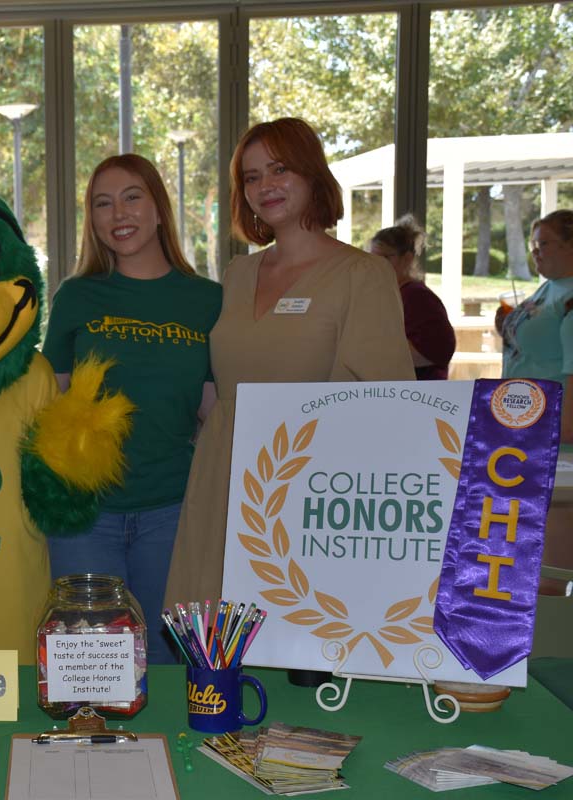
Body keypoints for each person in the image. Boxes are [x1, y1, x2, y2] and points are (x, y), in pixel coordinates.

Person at [164, 117, 414, 609]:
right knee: (217, 638)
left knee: (301, 641)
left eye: (278, 169)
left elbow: (392, 402)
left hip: (312, 484)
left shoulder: (362, 274)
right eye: (251, 177)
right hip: (225, 471)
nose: (264, 186)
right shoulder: (238, 273)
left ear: (310, 173)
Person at [42, 154, 222, 664]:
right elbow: (48, 400)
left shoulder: (207, 300)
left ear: (159, 209)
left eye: (132, 197)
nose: (118, 212)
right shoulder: (76, 296)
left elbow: (214, 412)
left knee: (167, 666)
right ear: (93, 221)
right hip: (84, 514)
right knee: (91, 667)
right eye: (103, 203)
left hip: (173, 510)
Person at [497, 209, 573, 442]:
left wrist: (564, 436)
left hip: (552, 429)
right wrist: (507, 326)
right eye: (533, 245)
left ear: (570, 245)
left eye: (543, 243)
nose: (535, 252)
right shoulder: (551, 286)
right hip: (522, 419)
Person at [369, 215, 456, 380]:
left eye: (386, 258)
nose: (377, 264)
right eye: (372, 257)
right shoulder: (383, 293)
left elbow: (438, 350)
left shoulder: (417, 297)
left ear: (407, 258)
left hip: (416, 394)